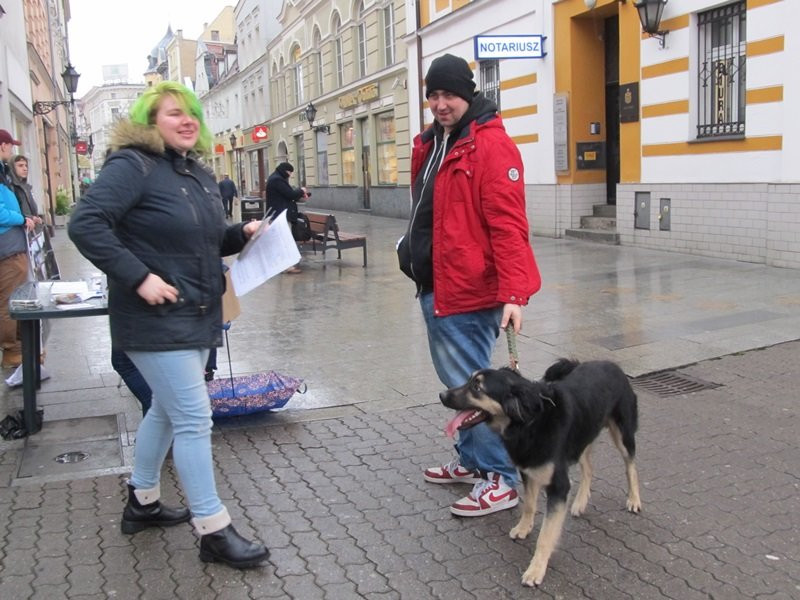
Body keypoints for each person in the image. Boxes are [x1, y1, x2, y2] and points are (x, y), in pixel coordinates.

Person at [68, 81, 269, 569]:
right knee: (195, 418)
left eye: (191, 113)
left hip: (197, 314)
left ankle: (142, 501)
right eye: (173, 113)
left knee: (165, 407)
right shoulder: (132, 165)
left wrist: (237, 234)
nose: (187, 120)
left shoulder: (196, 174)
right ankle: (213, 529)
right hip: (154, 319)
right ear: (148, 122)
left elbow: (198, 241)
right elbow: (84, 224)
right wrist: (139, 277)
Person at [396, 54, 542, 517]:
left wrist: (516, 294)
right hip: (437, 283)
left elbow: (508, 224)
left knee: (469, 386)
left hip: (467, 288)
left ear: (468, 94)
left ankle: (502, 478)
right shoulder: (437, 140)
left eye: (449, 95)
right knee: (457, 383)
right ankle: (472, 460)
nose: (440, 104)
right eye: (433, 96)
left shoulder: (489, 146)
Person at [0, 130, 36, 369]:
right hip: (8, 248)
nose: (11, 150)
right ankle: (11, 351)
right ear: (2, 145)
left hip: (13, 245)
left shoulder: (3, 172)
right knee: (9, 301)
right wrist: (22, 219)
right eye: (10, 146)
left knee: (14, 298)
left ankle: (19, 348)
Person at [266, 162, 307, 274]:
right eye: (289, 172)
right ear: (285, 170)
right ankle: (286, 266)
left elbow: (286, 196)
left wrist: (299, 195)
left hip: (277, 214)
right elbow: (290, 194)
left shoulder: (274, 177)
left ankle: (282, 265)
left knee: (281, 241)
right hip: (281, 216)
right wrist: (301, 191)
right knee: (284, 241)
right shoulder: (277, 180)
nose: (289, 174)